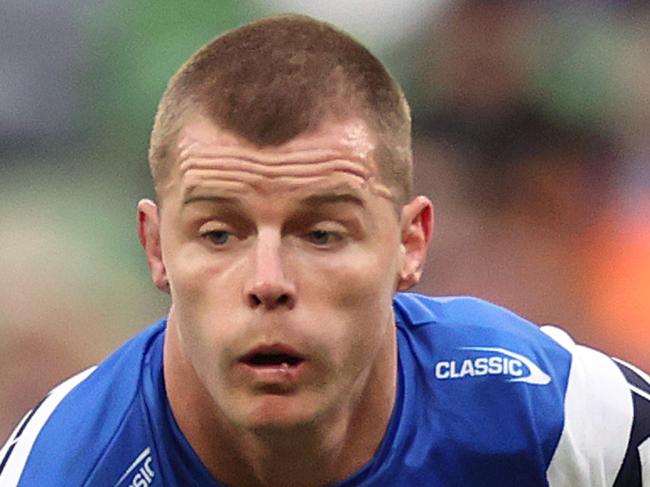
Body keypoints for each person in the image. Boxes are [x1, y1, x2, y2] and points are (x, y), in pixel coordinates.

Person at [0, 14, 648, 487]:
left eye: (321, 234)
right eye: (219, 234)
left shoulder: (549, 416)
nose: (268, 281)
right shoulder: (64, 467)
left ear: (409, 243)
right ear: (156, 247)